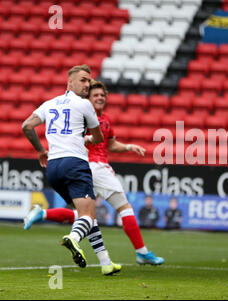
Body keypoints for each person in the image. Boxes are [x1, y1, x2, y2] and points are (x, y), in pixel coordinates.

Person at [24, 80, 164, 269]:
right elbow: (73, 136)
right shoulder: (82, 114)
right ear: (87, 98)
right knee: (125, 208)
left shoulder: (104, 120)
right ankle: (142, 252)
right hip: (92, 166)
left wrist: (130, 146)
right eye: (95, 95)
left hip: (80, 167)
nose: (99, 98)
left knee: (85, 216)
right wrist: (87, 139)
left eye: (102, 95)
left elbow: (111, 144)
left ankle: (44, 214)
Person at [22, 64, 104, 269]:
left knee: (82, 213)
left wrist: (41, 151)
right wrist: (88, 139)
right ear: (70, 82)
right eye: (83, 80)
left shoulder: (49, 104)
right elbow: (99, 136)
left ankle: (106, 262)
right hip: (75, 162)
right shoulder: (85, 105)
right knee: (88, 216)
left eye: (89, 81)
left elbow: (27, 126)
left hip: (54, 167)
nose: (87, 84)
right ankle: (74, 238)